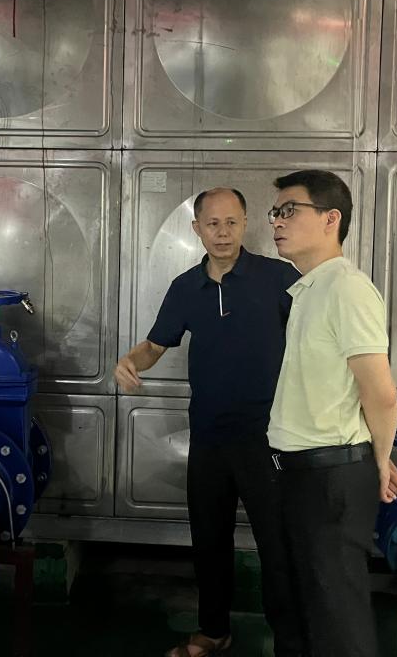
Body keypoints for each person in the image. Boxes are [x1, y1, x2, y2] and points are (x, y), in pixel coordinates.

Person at [115, 187, 304, 657]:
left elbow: (315, 337)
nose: (223, 233)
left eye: (231, 222)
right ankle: (214, 630)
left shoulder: (279, 278)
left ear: (246, 224)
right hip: (209, 436)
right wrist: (130, 361)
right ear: (196, 228)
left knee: (278, 545)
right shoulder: (185, 287)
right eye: (213, 224)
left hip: (269, 438)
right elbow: (155, 345)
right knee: (209, 540)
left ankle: (291, 642)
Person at [267, 169, 397, 657]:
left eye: (290, 211)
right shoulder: (309, 290)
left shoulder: (347, 289)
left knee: (335, 616)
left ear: (331, 219)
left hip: (331, 480)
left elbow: (380, 393)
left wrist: (380, 461)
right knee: (299, 608)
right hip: (299, 474)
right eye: (275, 213)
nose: (277, 222)